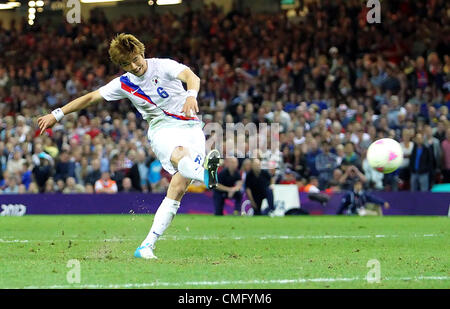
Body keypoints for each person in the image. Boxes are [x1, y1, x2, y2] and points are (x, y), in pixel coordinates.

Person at [37, 33, 220, 260]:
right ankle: (205, 174)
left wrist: (191, 95)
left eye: (135, 59)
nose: (134, 66)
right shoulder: (124, 83)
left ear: (142, 52)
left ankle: (146, 246)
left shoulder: (162, 66)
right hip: (162, 129)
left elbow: (191, 76)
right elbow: (91, 97)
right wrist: (58, 114)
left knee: (178, 188)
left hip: (191, 126)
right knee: (179, 156)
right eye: (126, 64)